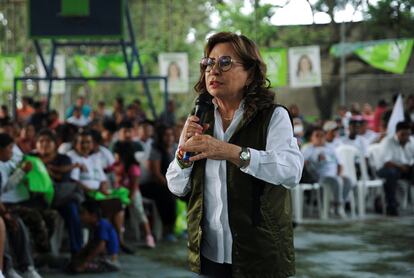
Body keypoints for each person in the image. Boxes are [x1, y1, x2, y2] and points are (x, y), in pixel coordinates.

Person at [166, 32, 303, 277]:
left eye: (225, 62)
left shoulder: (272, 116)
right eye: (208, 62)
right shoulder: (199, 118)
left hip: (259, 251)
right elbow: (177, 186)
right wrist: (183, 153)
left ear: (250, 73)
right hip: (210, 252)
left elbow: (291, 171)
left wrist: (231, 152)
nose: (213, 70)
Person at [69, 200, 120, 273]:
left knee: (76, 268)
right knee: (74, 263)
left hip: (109, 261)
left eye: (83, 214)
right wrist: (80, 254)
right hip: (101, 256)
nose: (80, 217)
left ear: (93, 215)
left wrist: (85, 262)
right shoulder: (95, 225)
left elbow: (101, 246)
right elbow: (90, 243)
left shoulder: (102, 225)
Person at [376, 121, 414, 216]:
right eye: (403, 134)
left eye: (408, 134)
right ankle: (391, 205)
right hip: (386, 169)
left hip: (405, 168)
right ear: (397, 132)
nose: (406, 137)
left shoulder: (412, 141)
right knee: (392, 173)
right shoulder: (387, 141)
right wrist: (400, 166)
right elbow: (386, 162)